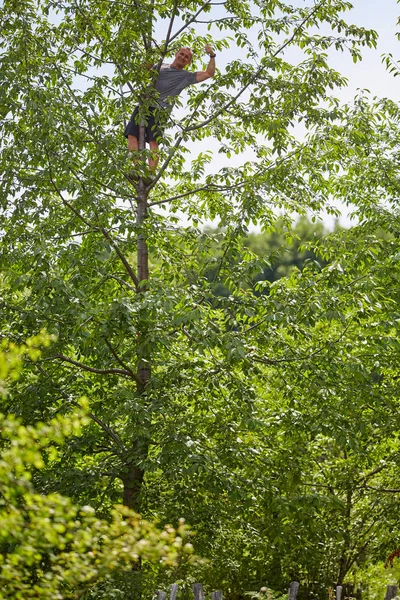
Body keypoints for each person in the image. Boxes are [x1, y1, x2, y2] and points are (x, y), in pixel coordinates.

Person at [124, 44, 216, 174]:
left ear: (189, 62)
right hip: (143, 106)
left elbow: (209, 73)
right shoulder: (160, 66)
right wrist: (149, 54)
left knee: (153, 141)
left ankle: (150, 173)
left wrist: (212, 55)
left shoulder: (186, 76)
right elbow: (143, 70)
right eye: (182, 54)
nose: (183, 57)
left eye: (187, 57)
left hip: (160, 111)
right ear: (176, 53)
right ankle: (137, 169)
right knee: (132, 136)